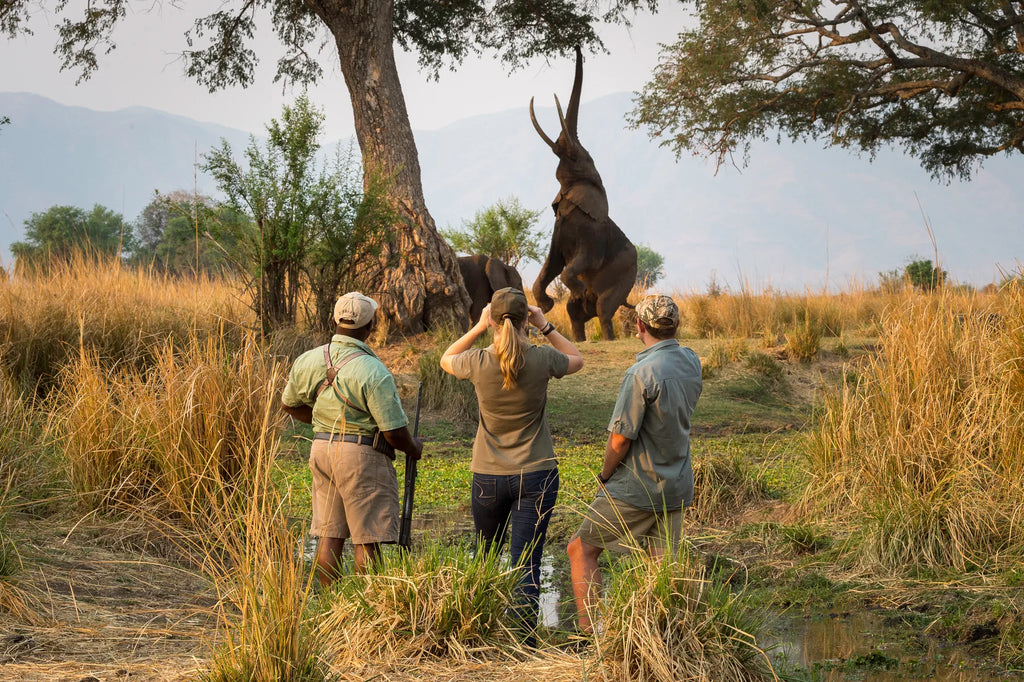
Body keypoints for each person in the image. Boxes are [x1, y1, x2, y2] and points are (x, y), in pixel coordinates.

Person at [440, 287, 583, 644]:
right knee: (527, 561)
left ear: (493, 320)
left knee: (485, 556)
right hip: (537, 473)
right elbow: (577, 358)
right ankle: (523, 641)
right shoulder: (542, 358)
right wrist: (546, 325)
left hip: (488, 474)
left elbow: (446, 358)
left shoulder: (477, 361)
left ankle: (477, 633)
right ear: (525, 321)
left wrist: (477, 327)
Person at [566, 294, 702, 633]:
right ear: (676, 324)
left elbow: (620, 440)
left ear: (639, 326)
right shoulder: (691, 361)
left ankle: (591, 635)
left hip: (638, 486)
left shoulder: (640, 373)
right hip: (677, 484)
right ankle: (662, 639)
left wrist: (605, 475)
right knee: (663, 569)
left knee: (580, 550)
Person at [281, 292, 423, 585]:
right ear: (370, 326)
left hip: (321, 450)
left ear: (333, 320)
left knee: (329, 535)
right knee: (367, 538)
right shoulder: (374, 371)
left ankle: (330, 602)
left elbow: (289, 405)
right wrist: (414, 448)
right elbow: (393, 432)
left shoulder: (308, 359)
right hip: (361, 457)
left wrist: (326, 422)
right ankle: (365, 604)